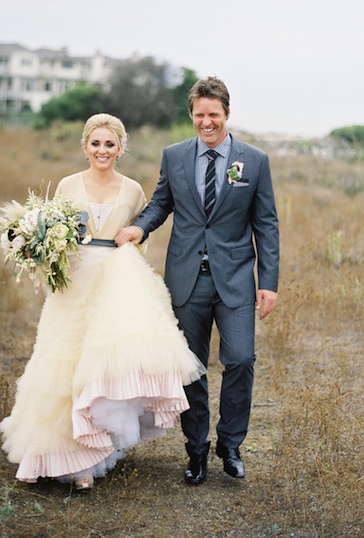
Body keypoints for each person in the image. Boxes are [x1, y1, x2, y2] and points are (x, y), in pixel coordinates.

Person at [0, 113, 203, 490]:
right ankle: (59, 455)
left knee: (100, 368)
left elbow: (142, 234)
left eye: (110, 144)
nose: (102, 150)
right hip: (74, 281)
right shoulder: (67, 185)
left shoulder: (133, 190)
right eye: (96, 144)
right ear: (84, 146)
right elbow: (54, 231)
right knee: (64, 360)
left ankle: (90, 458)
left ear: (121, 148)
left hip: (114, 283)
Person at [115, 77, 279, 485]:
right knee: (191, 368)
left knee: (240, 359)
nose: (207, 122)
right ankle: (197, 450)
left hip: (237, 279)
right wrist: (140, 229)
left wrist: (269, 281)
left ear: (226, 113)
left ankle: (231, 444)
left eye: (214, 115)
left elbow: (267, 224)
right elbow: (160, 203)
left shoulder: (254, 161)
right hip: (186, 277)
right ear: (191, 115)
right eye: (199, 115)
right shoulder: (173, 156)